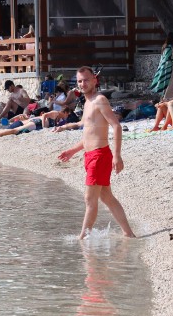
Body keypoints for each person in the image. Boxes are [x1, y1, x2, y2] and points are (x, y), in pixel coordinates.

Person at [55, 66, 135, 239]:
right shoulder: (87, 102)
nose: (83, 83)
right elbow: (88, 133)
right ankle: (128, 234)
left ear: (94, 80)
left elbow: (116, 126)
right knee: (106, 197)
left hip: (100, 155)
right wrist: (72, 151)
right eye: (79, 81)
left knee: (89, 199)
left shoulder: (100, 100)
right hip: (90, 155)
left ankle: (82, 238)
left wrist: (117, 155)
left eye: (86, 80)